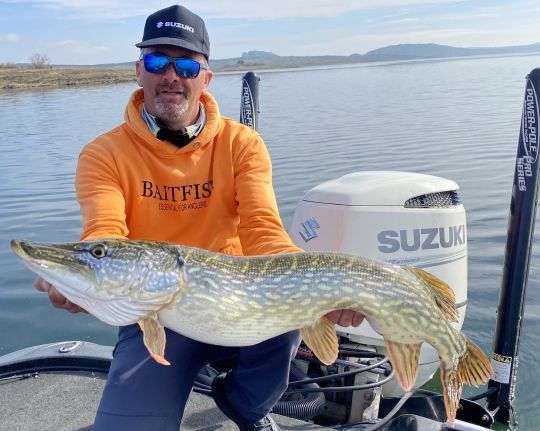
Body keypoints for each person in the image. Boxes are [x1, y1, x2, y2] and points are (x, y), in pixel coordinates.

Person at [34, 5, 364, 431]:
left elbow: (263, 229)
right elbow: (105, 234)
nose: (172, 75)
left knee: (288, 322)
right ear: (139, 70)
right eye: (158, 62)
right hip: (153, 312)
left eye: (187, 65)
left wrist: (313, 285)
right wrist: (89, 286)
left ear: (205, 78)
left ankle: (245, 407)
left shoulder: (241, 144)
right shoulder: (104, 154)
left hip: (243, 307)